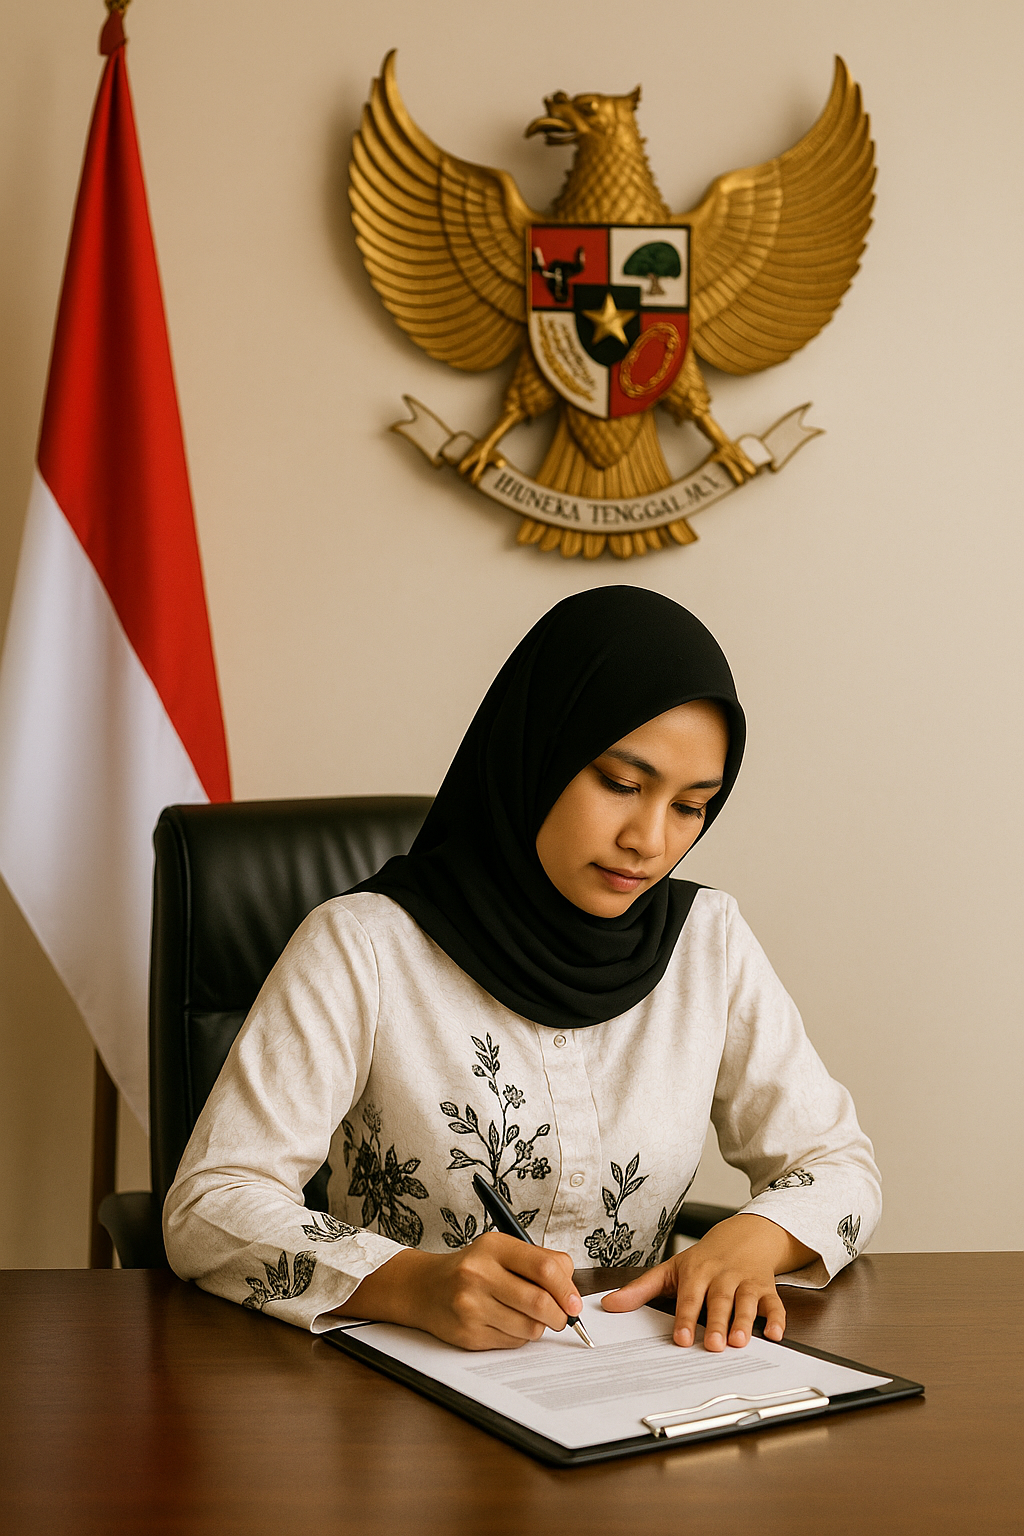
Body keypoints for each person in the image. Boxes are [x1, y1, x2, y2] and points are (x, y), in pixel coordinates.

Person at [164, 587, 880, 1354]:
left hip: (635, 1387)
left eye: (691, 805)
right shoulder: (364, 945)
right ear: (538, 751)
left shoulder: (709, 942)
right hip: (395, 1402)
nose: (649, 839)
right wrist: (413, 1284)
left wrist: (757, 1239)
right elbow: (210, 1203)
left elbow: (837, 1162)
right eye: (622, 784)